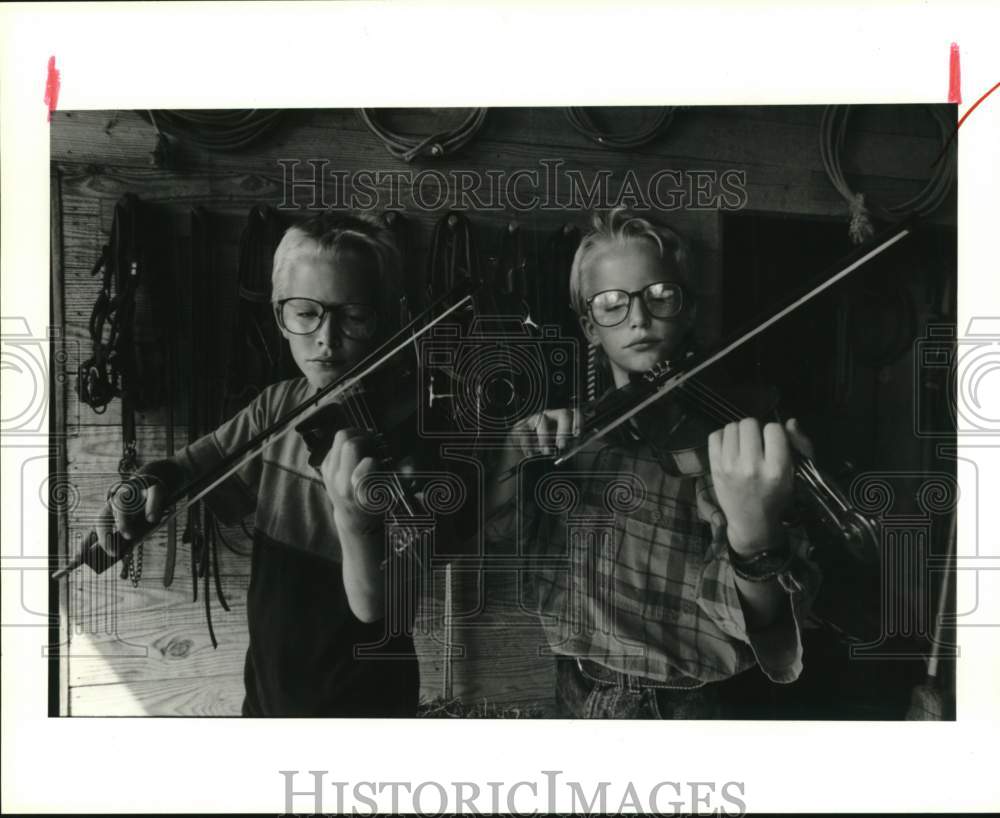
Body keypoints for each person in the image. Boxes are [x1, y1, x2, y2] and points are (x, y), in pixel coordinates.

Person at [487, 208, 822, 718]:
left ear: (687, 310)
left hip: (693, 702)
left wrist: (755, 534)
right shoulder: (567, 435)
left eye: (660, 295)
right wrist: (516, 457)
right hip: (576, 687)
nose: (638, 318)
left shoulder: (730, 439)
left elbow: (764, 621)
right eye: (612, 304)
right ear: (590, 327)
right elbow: (502, 552)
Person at [97, 211, 424, 717]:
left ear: (388, 317)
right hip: (271, 690)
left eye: (355, 315)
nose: (327, 337)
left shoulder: (409, 435)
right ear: (279, 314)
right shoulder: (277, 407)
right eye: (305, 312)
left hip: (366, 703)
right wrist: (147, 486)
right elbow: (192, 466)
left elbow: (381, 607)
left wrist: (355, 521)